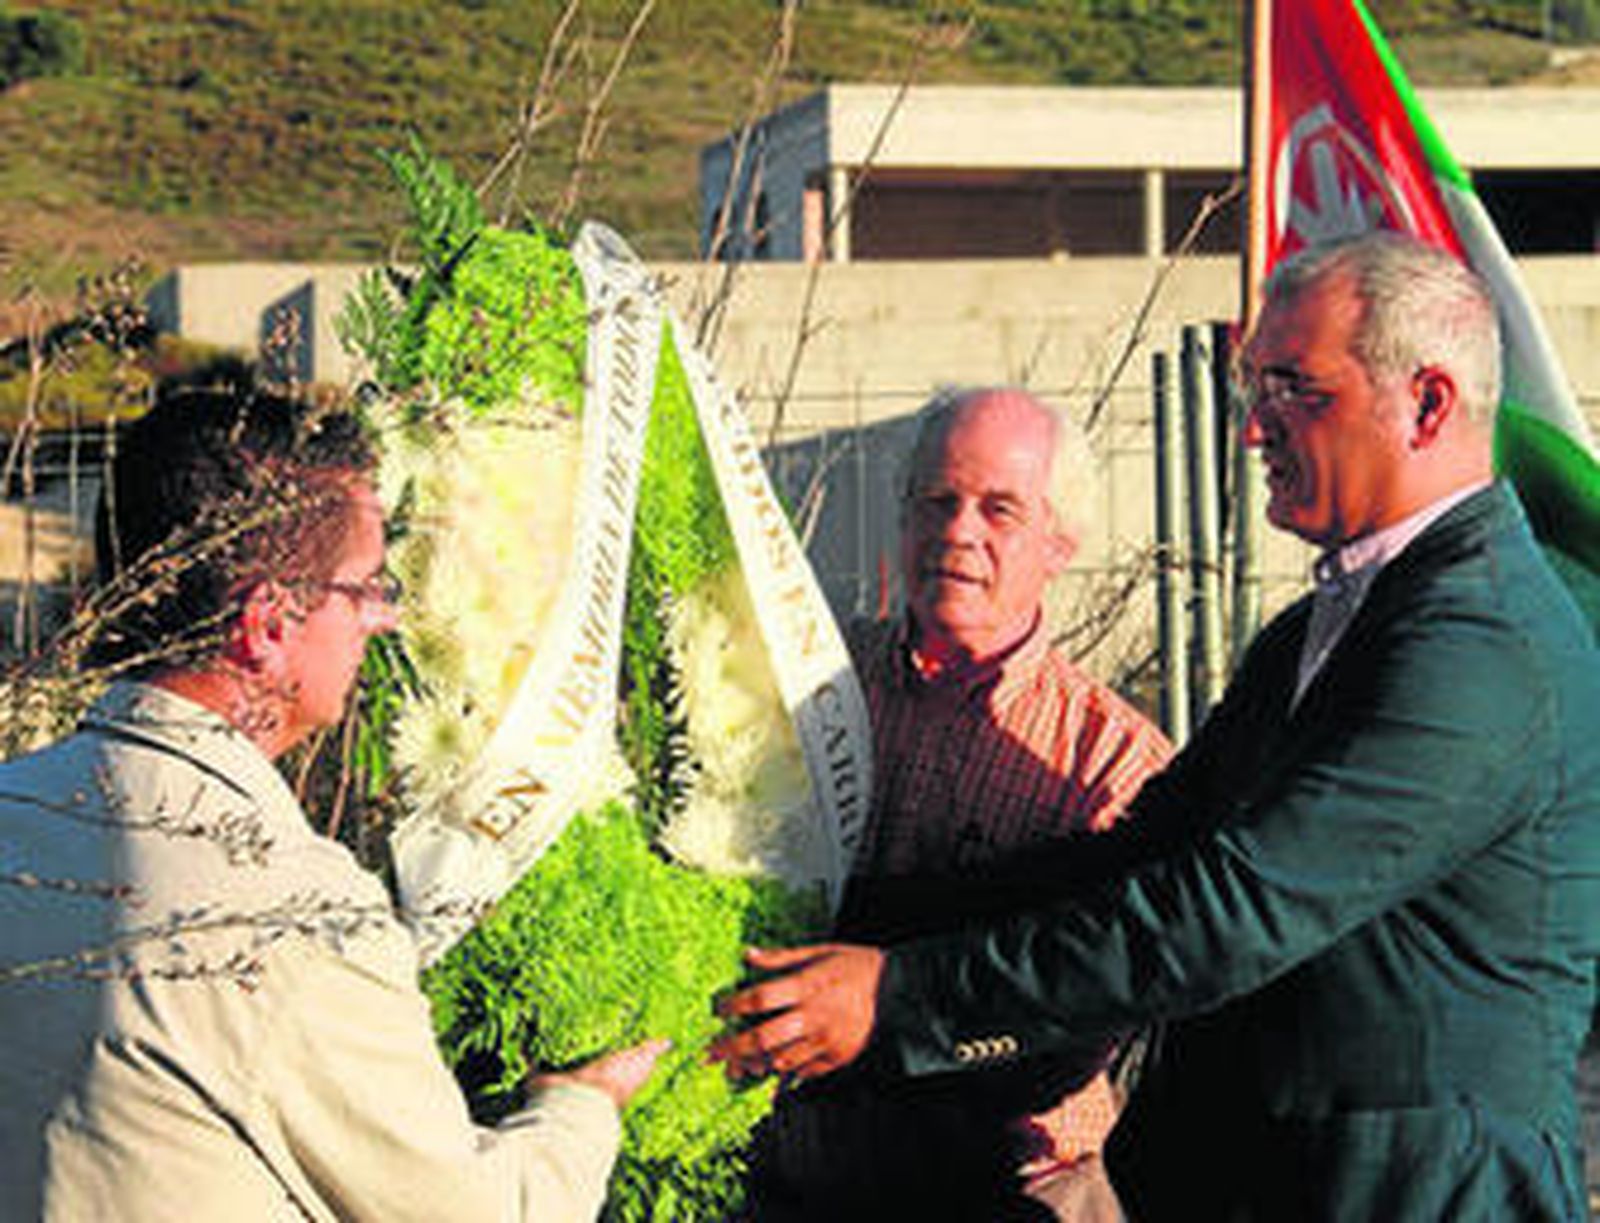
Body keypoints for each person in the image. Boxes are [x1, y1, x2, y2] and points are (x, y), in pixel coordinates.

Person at [712, 232, 1600, 1219]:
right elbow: (1136, 855)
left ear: (1425, 402)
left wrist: (898, 999)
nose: (1253, 430)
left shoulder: (1479, 644)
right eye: (1251, 390)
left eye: (1291, 389)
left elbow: (1229, 910)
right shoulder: (1319, 627)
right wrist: (811, 932)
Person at [0, 385, 666, 1220]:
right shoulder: (289, 919)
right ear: (268, 625)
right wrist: (581, 1106)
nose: (383, 618)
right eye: (367, 586)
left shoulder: (13, 810)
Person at [748, 387, 1171, 1221]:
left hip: (1018, 1186)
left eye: (999, 509)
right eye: (936, 501)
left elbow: (1076, 1017)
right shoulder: (807, 687)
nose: (957, 530)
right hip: (795, 1178)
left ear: (1061, 542)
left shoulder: (1113, 763)